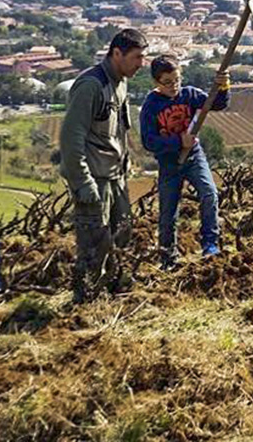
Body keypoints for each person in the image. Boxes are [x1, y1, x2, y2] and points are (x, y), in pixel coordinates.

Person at [59, 28, 147, 304]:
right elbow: (71, 138)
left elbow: (117, 133)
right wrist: (82, 183)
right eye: (136, 57)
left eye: (143, 57)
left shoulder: (121, 82)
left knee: (121, 237)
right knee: (93, 248)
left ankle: (112, 296)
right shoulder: (91, 86)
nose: (140, 64)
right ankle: (84, 306)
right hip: (94, 180)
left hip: (115, 177)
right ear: (116, 53)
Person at [139, 55, 231, 268]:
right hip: (169, 163)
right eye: (168, 82)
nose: (174, 86)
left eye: (177, 80)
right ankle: (168, 258)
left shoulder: (189, 94)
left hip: (193, 156)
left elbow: (215, 104)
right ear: (156, 82)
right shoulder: (151, 106)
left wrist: (223, 86)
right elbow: (149, 141)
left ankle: (210, 244)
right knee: (168, 212)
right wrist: (178, 141)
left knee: (209, 193)